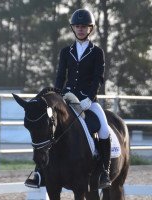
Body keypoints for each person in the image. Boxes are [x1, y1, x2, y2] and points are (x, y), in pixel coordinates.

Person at [25, 8, 113, 189]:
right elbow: (60, 76)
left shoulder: (97, 52)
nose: (80, 29)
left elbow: (98, 78)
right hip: (67, 99)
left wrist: (90, 97)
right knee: (49, 129)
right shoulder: (66, 51)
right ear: (73, 28)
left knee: (104, 130)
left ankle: (104, 171)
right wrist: (56, 95)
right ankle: (40, 171)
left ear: (90, 29)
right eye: (77, 26)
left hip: (88, 101)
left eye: (84, 26)